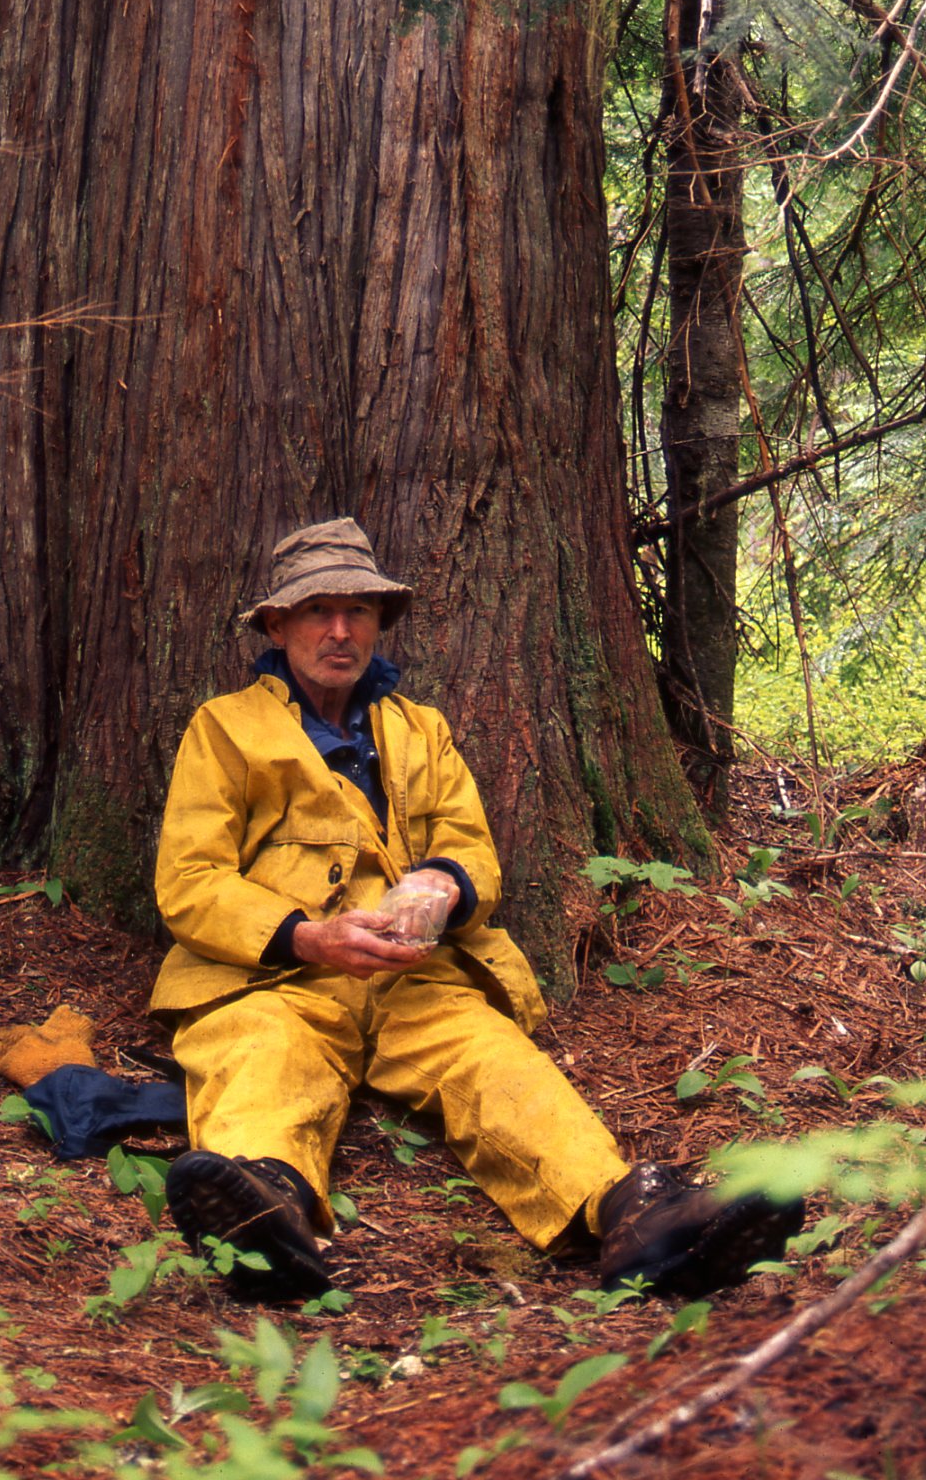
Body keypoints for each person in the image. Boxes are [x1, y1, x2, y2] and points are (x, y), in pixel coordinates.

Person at [152, 518, 800, 1296]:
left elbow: (472, 846)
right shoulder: (225, 728)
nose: (338, 630)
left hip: (412, 978)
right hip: (273, 982)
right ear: (276, 624)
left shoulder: (419, 729)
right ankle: (266, 1216)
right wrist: (309, 937)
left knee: (496, 1066)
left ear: (379, 623)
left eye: (358, 611)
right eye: (317, 610)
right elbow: (189, 878)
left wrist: (446, 885)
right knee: (261, 1060)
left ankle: (630, 1215)